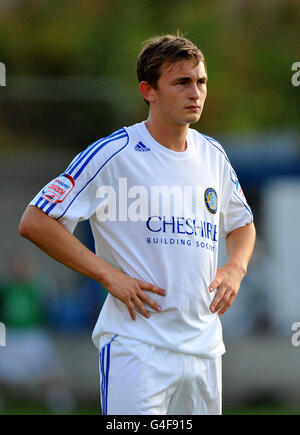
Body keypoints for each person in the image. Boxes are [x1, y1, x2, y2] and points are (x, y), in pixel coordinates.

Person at [19, 33, 256, 415]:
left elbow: (242, 223)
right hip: (137, 348)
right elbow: (35, 220)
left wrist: (235, 268)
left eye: (201, 81)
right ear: (149, 90)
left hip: (204, 350)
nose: (195, 92)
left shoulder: (214, 155)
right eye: (181, 82)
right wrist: (108, 275)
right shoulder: (114, 153)